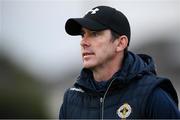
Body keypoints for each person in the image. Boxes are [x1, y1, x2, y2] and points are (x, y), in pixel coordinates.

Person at [59, 5, 180, 119]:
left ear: (120, 43)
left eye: (94, 34)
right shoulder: (71, 100)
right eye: (83, 34)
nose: (83, 42)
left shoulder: (152, 95)